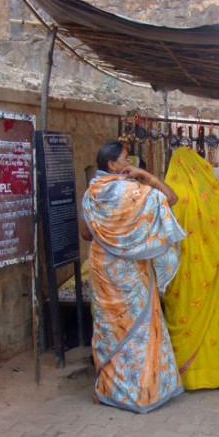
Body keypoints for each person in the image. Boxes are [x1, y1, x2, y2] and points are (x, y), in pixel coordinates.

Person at [80, 141, 186, 413]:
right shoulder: (136, 192)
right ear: (112, 164)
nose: (130, 163)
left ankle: (109, 390)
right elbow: (171, 199)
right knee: (139, 328)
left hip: (103, 267)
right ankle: (144, 392)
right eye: (126, 158)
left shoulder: (91, 193)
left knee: (109, 328)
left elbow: (85, 234)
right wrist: (147, 177)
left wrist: (110, 233)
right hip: (129, 269)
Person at [162, 146, 219, 390]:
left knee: (182, 312)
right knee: (210, 320)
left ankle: (184, 377)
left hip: (181, 269)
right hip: (207, 267)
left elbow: (162, 231)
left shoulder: (170, 190)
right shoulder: (212, 192)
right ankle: (213, 375)